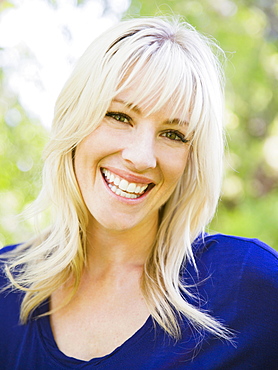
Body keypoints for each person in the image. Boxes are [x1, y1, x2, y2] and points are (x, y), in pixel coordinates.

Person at [0, 16, 277, 369]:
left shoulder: (247, 286)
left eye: (173, 134)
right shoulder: (6, 286)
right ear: (75, 121)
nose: (142, 157)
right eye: (119, 116)